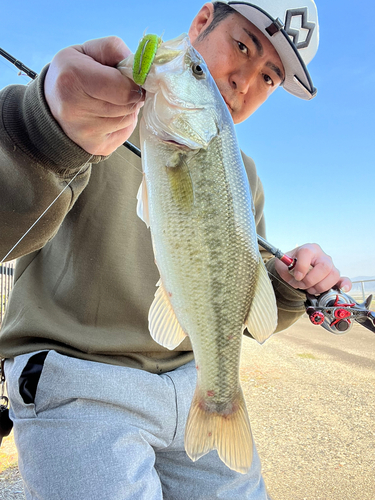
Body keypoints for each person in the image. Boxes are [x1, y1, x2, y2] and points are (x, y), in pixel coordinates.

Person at [0, 1, 351, 499]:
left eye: (269, 78)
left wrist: (292, 288)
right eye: (243, 46)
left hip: (192, 381)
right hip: (77, 377)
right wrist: (45, 133)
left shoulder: (244, 175)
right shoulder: (90, 105)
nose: (244, 84)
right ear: (202, 22)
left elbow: (237, 302)